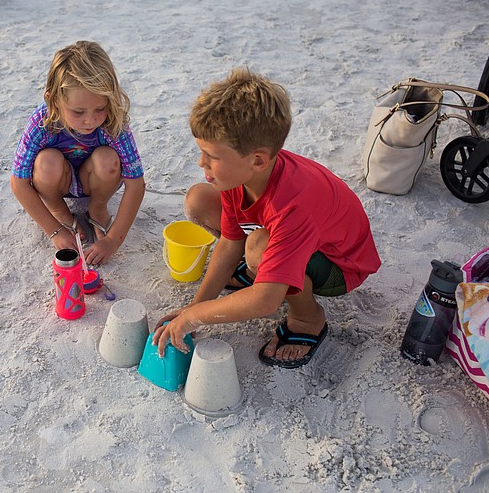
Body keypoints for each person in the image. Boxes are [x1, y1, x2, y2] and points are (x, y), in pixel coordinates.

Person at [153, 68, 381, 368]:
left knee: (258, 249)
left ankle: (307, 318)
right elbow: (229, 243)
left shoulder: (294, 205)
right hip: (286, 236)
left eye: (213, 156)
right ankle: (262, 270)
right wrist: (197, 306)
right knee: (199, 199)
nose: (201, 162)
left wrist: (194, 318)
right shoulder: (239, 176)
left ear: (258, 159)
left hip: (340, 265)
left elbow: (266, 302)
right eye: (201, 151)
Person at [11, 41, 146, 266]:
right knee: (47, 162)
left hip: (94, 179)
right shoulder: (42, 121)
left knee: (107, 159)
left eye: (100, 109)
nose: (90, 120)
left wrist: (112, 241)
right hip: (57, 181)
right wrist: (54, 232)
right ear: (54, 100)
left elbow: (136, 184)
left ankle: (98, 207)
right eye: (78, 111)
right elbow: (18, 183)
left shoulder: (113, 122)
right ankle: (58, 209)